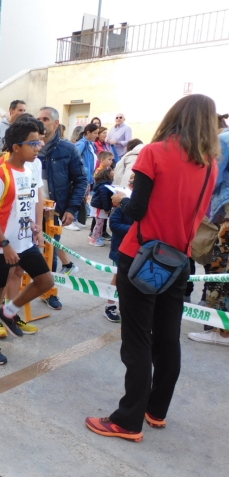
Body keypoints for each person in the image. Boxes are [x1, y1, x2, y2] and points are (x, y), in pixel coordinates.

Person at [86, 94, 219, 442]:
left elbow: (137, 209)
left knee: (136, 340)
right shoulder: (210, 165)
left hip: (143, 257)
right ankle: (156, 410)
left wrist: (120, 199)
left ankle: (127, 421)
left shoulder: (154, 152)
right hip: (179, 260)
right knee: (166, 338)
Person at [0, 120, 51, 364]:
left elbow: (24, 203)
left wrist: (33, 224)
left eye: (39, 142)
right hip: (2, 246)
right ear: (16, 147)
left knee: (45, 280)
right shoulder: (0, 173)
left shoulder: (30, 170)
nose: (38, 147)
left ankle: (8, 312)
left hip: (24, 240)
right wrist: (5, 243)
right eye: (33, 143)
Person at [37, 106, 88, 309]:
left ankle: (49, 292)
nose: (41, 122)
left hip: (53, 212)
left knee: (50, 252)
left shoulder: (68, 149)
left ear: (56, 123)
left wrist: (71, 209)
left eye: (46, 118)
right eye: (39, 118)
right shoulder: (30, 146)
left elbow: (81, 180)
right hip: (28, 210)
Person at [187, 114, 229, 345]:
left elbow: (210, 178)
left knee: (219, 272)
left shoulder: (223, 140)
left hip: (225, 215)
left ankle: (220, 331)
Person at [105, 173, 135, 323]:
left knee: (133, 280)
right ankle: (110, 305)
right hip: (121, 248)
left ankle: (128, 307)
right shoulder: (124, 204)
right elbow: (114, 224)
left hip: (138, 251)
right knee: (118, 277)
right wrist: (135, 230)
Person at [70, 123, 99, 231]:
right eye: (95, 133)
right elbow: (74, 157)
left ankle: (76, 219)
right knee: (77, 197)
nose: (97, 135)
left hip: (87, 177)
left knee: (82, 199)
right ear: (88, 132)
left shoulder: (90, 144)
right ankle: (71, 220)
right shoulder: (82, 144)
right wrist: (82, 170)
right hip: (82, 176)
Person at [89, 166, 114, 247]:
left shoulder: (104, 184)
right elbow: (104, 198)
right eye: (112, 171)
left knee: (100, 223)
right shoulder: (104, 186)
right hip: (100, 207)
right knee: (99, 223)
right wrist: (107, 208)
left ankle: (98, 237)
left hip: (101, 206)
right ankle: (94, 239)